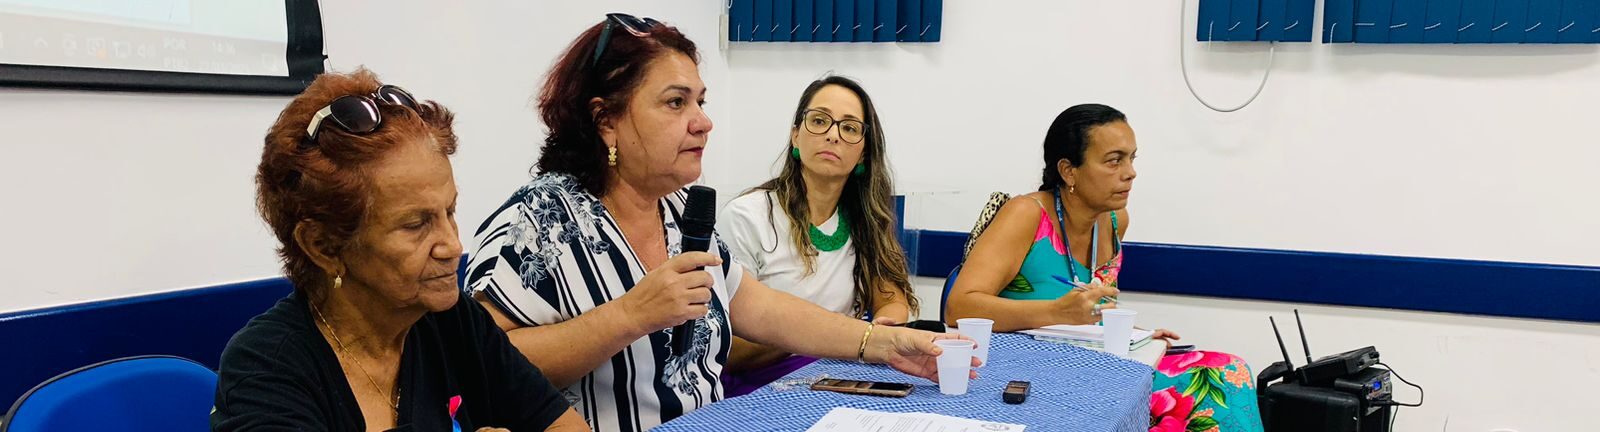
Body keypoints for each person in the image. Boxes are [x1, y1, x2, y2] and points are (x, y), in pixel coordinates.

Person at [465, 14, 973, 432]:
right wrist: (629, 316)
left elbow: (760, 306)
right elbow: (482, 365)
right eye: (675, 102)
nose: (703, 121)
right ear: (606, 121)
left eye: (700, 101)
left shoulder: (679, 211)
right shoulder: (539, 221)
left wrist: (884, 344)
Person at [213, 69, 588, 431]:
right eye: (415, 224)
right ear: (323, 246)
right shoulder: (267, 366)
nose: (453, 246)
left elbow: (561, 424)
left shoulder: (452, 321)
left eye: (450, 211)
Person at [944, 104, 1263, 432]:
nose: (1130, 172)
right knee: (1224, 376)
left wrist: (1137, 337)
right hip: (1021, 366)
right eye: (1114, 160)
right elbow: (960, 307)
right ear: (1069, 171)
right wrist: (1057, 311)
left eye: (1131, 158)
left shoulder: (1114, 221)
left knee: (1230, 369)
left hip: (1088, 362)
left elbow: (1089, 312)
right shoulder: (1025, 214)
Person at [716, 75, 917, 396]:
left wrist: (885, 325)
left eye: (850, 128)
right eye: (820, 121)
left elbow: (890, 297)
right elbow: (725, 349)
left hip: (840, 368)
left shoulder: (866, 218)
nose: (833, 135)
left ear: (864, 153)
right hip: (763, 385)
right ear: (795, 136)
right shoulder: (747, 216)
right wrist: (824, 332)